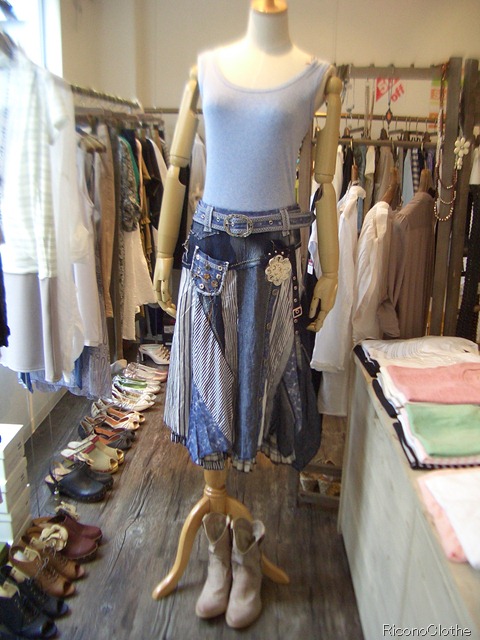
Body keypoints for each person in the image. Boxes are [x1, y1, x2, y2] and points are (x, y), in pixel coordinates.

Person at [153, 0, 341, 473]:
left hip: (272, 255)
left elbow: (325, 182)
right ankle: (215, 501)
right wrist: (161, 254)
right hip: (210, 249)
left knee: (262, 372)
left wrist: (331, 272)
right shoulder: (206, 70)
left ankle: (230, 496)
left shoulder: (319, 78)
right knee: (210, 377)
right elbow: (176, 168)